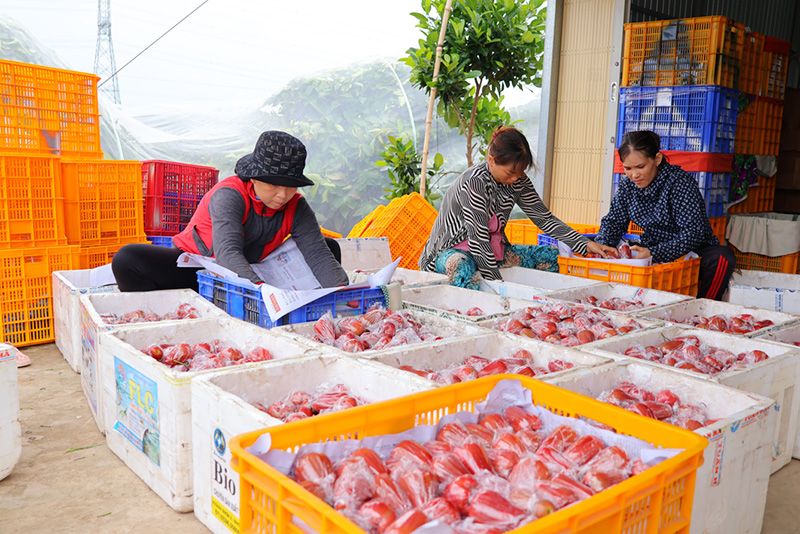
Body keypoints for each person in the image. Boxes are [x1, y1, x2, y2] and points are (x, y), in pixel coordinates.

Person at [112, 130, 349, 292]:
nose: (282, 195)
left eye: (290, 187)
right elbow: (227, 254)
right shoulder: (230, 195)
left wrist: (344, 292)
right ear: (254, 178)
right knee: (128, 259)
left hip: (257, 268)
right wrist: (262, 292)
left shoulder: (297, 207)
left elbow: (318, 254)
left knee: (329, 248)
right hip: (203, 268)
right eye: (273, 184)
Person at [418, 126, 616, 289]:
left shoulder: (519, 180)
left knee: (553, 258)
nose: (515, 179)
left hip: (495, 251)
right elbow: (478, 241)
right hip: (450, 253)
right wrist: (501, 289)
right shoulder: (474, 183)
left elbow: (543, 218)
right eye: (510, 172)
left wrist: (584, 244)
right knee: (462, 268)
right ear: (491, 160)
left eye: (520, 173)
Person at [595, 130, 735, 300]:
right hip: (650, 247)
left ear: (657, 159)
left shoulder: (679, 182)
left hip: (690, 249)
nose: (634, 175)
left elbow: (694, 231)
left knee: (722, 258)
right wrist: (602, 248)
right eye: (628, 169)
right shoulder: (627, 186)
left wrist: (656, 252)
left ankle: (704, 305)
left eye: (640, 167)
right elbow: (613, 222)